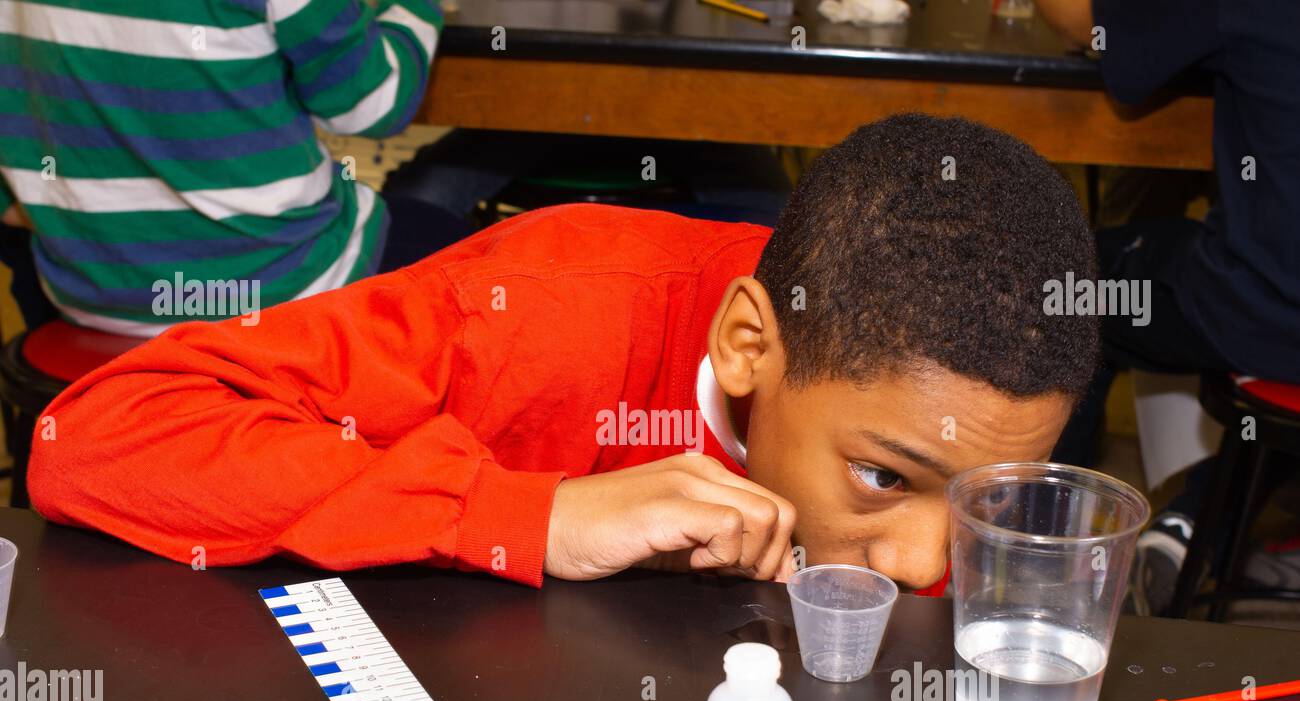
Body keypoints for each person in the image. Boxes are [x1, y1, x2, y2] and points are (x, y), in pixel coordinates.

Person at [28, 115, 1100, 594]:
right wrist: (530, 514)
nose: (925, 564)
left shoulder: (959, 384)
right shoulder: (539, 315)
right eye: (881, 477)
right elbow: (99, 436)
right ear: (745, 346)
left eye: (991, 499)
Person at [1038, 0, 1300, 614]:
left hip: (1268, 312)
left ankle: (1041, 556)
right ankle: (1199, 517)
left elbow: (1088, 25)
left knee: (1067, 289)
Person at [0, 0, 460, 335]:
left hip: (90, 292)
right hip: (271, 289)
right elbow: (373, 104)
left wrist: (42, 206)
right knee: (463, 254)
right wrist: (416, 9)